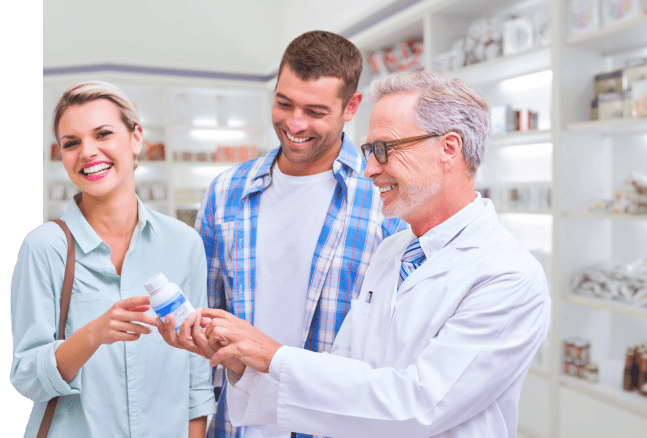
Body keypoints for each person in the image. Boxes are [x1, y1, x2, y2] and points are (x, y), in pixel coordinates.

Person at [181, 71, 552, 437]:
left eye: (384, 150)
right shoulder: (393, 251)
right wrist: (243, 363)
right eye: (368, 150)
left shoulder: (508, 275)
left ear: (448, 148)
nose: (370, 169)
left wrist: (274, 356)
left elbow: (418, 406)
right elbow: (344, 369)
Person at [157, 30, 406, 438]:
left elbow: (393, 344)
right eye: (283, 103)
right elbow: (207, 318)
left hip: (335, 426)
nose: (294, 124)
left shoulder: (383, 198)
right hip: (235, 424)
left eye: (315, 111)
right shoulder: (226, 192)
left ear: (351, 107)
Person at [9, 81, 216, 437]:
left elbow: (196, 377)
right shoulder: (44, 248)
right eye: (71, 143)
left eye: (103, 133)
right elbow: (27, 378)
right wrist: (92, 334)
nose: (88, 152)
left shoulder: (184, 243)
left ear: (136, 138)